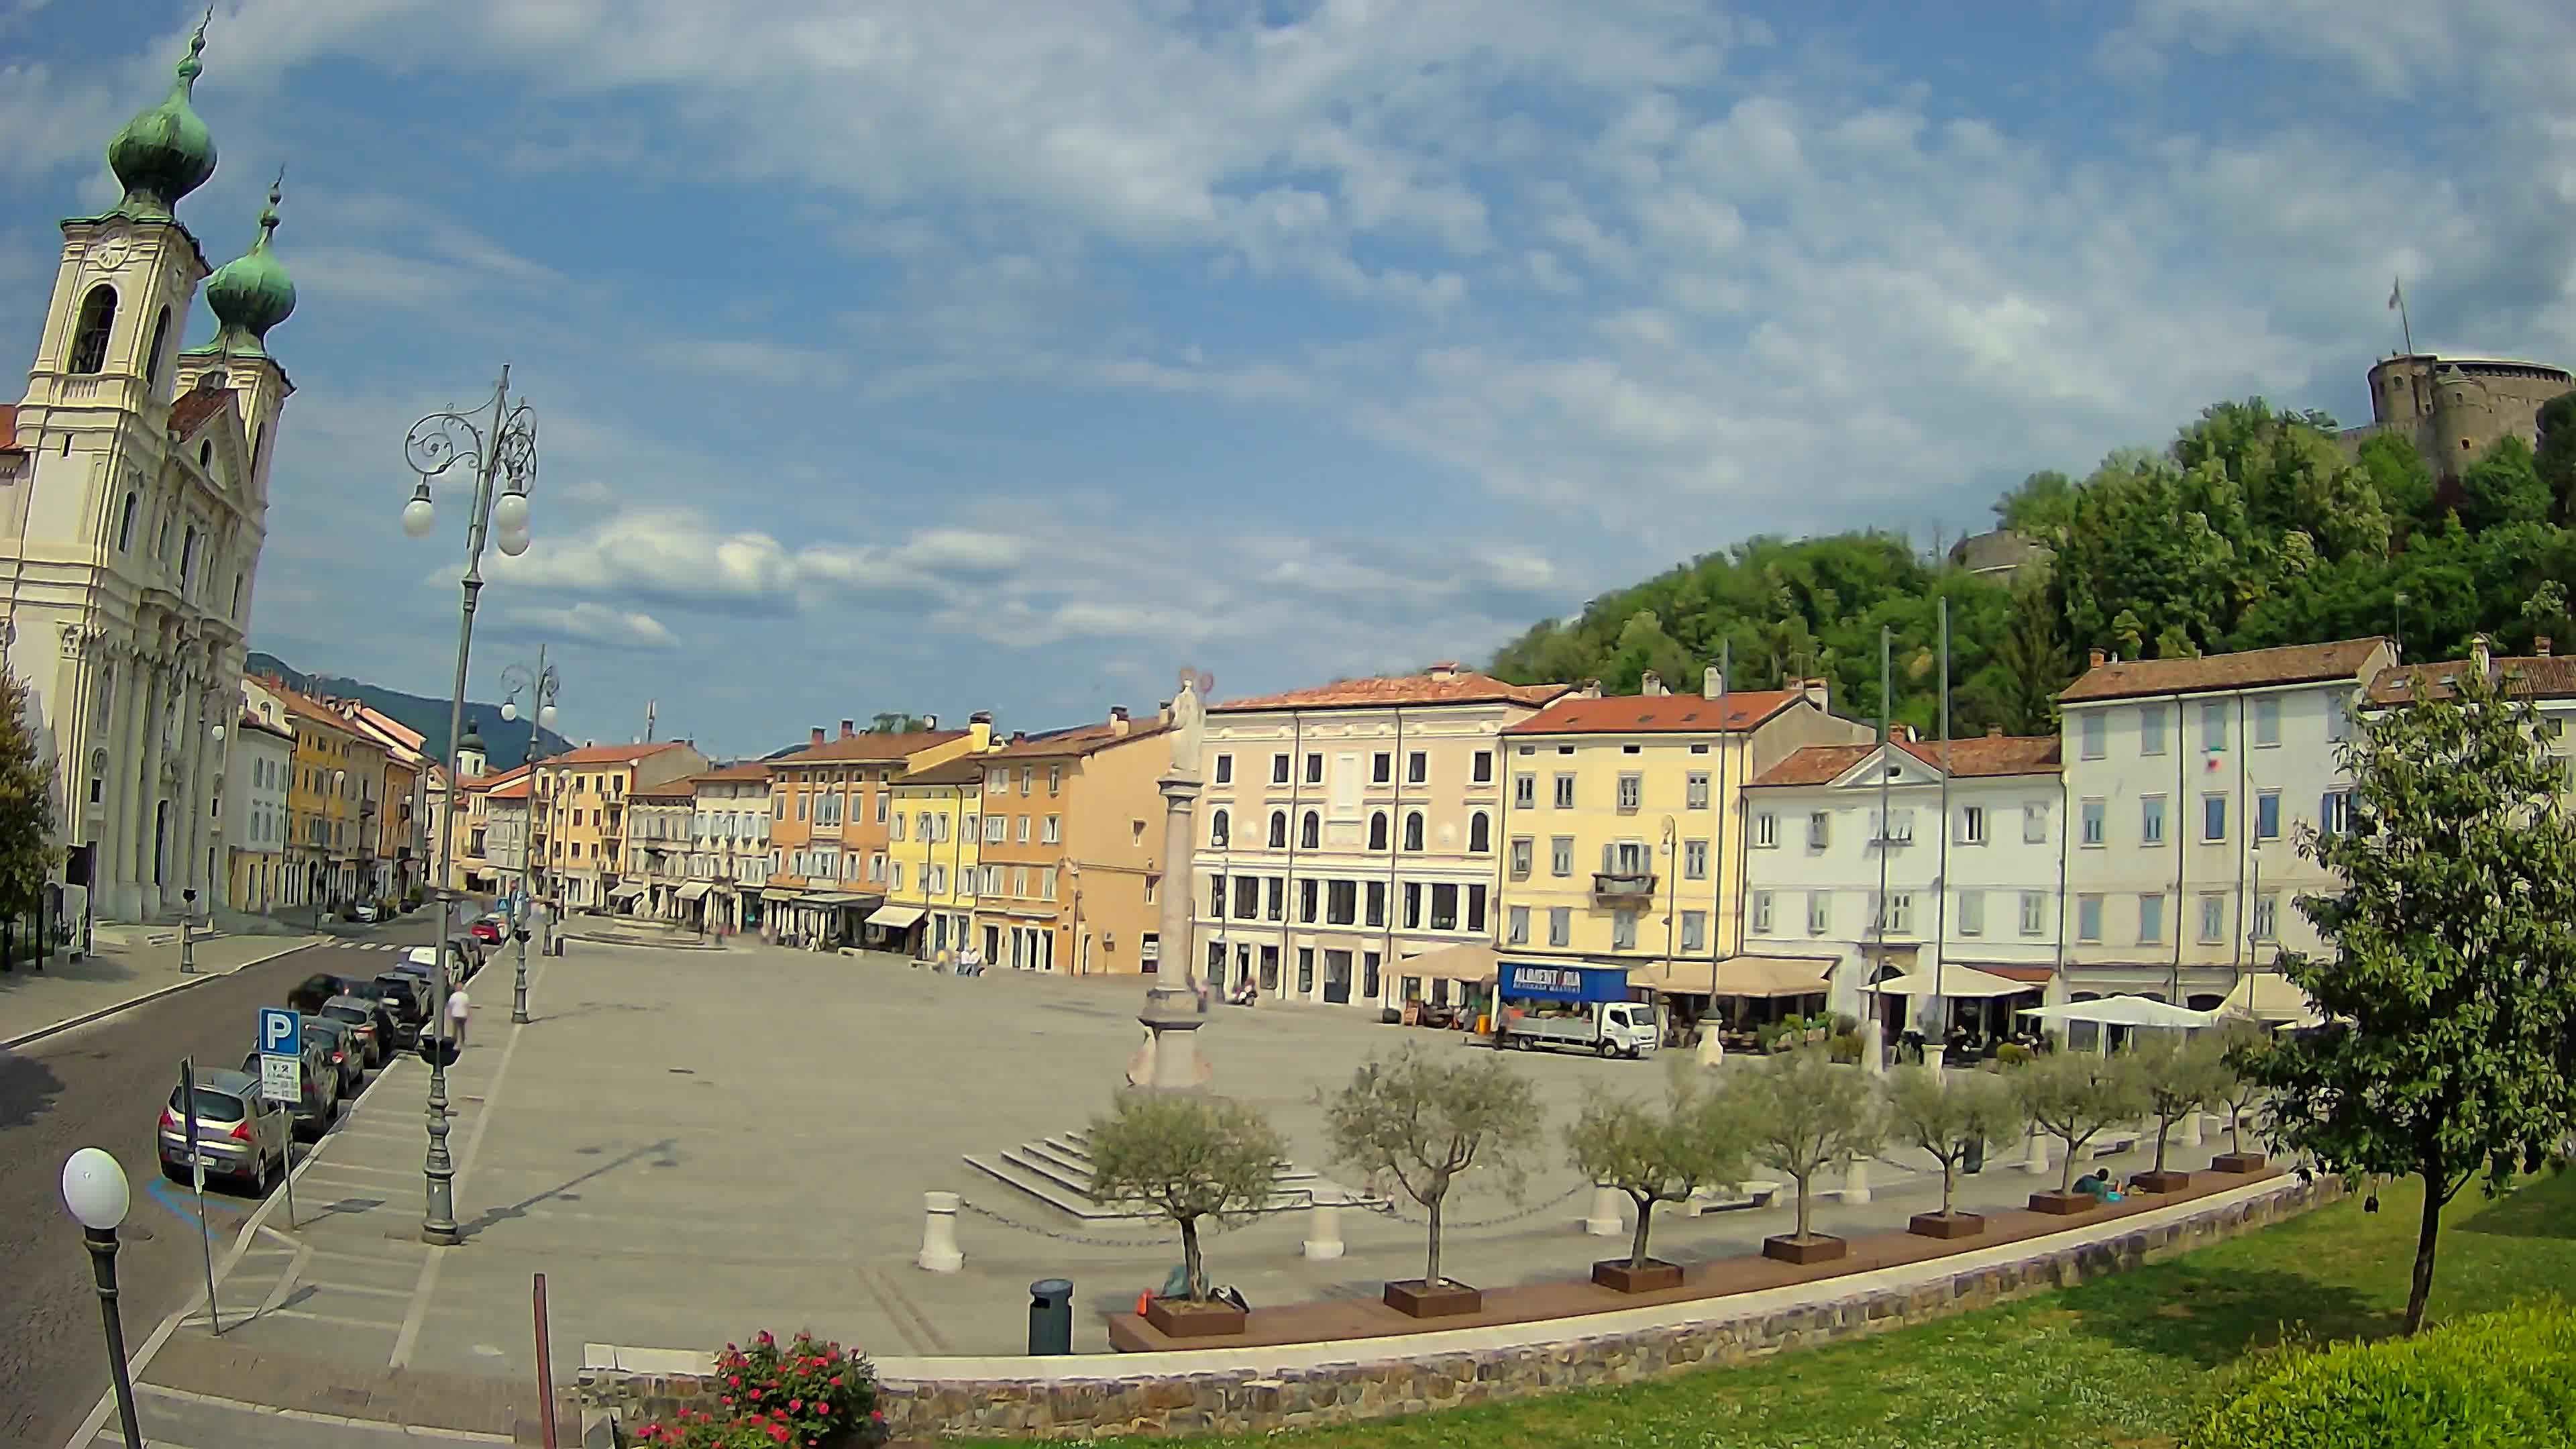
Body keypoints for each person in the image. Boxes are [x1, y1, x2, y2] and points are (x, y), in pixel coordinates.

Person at [446, 984, 471, 1050]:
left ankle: (454, 1043)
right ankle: (462, 1042)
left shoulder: (453, 996)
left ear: (456, 988)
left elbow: (450, 1005)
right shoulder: (465, 996)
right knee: (462, 1029)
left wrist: (449, 1015)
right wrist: (469, 1015)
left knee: (455, 1030)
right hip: (463, 1015)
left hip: (455, 1015)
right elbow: (467, 1005)